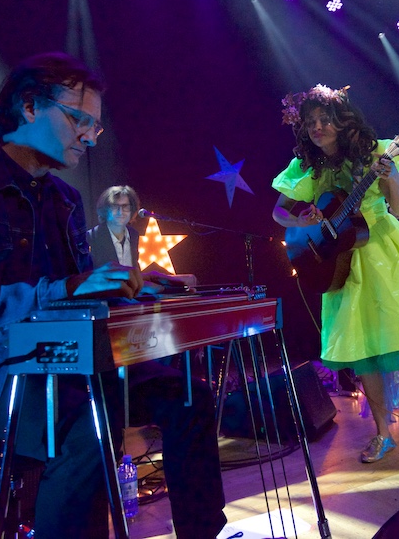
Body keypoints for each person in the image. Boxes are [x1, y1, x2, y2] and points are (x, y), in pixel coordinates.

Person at [0, 53, 225, 539]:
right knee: (93, 425)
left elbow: (78, 299)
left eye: (96, 127)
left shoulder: (62, 199)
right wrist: (62, 289)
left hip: (59, 369)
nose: (89, 136)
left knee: (189, 396)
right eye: (79, 119)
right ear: (29, 107)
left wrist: (135, 286)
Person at [271, 84, 399, 463]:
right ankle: (383, 434)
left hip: (380, 247)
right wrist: (301, 217)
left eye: (325, 120)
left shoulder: (372, 152)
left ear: (340, 122)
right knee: (363, 346)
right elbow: (279, 212)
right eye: (311, 122)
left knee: (396, 318)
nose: (318, 127)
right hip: (339, 260)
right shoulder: (307, 167)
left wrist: (392, 178)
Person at [87, 185, 224, 538]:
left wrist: (162, 282)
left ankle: (203, 529)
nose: (121, 212)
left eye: (127, 206)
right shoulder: (88, 240)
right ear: (103, 211)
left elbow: (137, 282)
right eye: (115, 206)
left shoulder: (134, 238)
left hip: (130, 340)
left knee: (194, 396)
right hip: (95, 351)